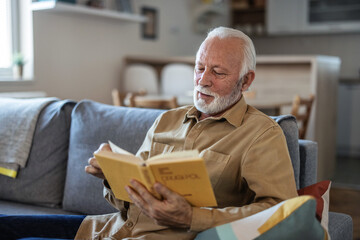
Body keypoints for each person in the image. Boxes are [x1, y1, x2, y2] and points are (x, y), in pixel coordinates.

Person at [0, 26, 297, 240]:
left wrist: (192, 217)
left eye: (218, 73)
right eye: (199, 68)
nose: (203, 80)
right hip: (106, 229)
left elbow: (280, 212)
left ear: (246, 81)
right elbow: (132, 200)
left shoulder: (261, 134)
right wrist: (113, 177)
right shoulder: (167, 120)